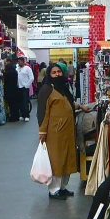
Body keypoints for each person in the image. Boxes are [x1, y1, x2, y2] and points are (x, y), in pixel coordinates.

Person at [37, 64, 90, 200]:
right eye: (53, 72)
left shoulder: (64, 88)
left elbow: (68, 103)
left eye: (59, 72)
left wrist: (80, 106)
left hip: (68, 131)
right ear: (49, 75)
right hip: (54, 132)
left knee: (67, 158)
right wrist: (42, 131)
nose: (57, 75)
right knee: (56, 160)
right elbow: (43, 112)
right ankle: (53, 190)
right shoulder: (46, 90)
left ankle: (63, 187)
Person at [16, 56, 34, 121]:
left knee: (25, 102)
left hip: (24, 88)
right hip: (18, 87)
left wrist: (26, 85)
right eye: (18, 62)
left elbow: (31, 78)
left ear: (23, 62)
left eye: (19, 61)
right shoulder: (17, 69)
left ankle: (27, 115)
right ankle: (22, 114)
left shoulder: (27, 68)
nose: (18, 63)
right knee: (20, 102)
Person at [3, 58, 20, 122]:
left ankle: (13, 117)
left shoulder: (6, 73)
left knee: (11, 105)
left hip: (9, 90)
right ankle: (16, 116)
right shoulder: (15, 72)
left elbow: (6, 82)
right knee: (15, 104)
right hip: (15, 89)